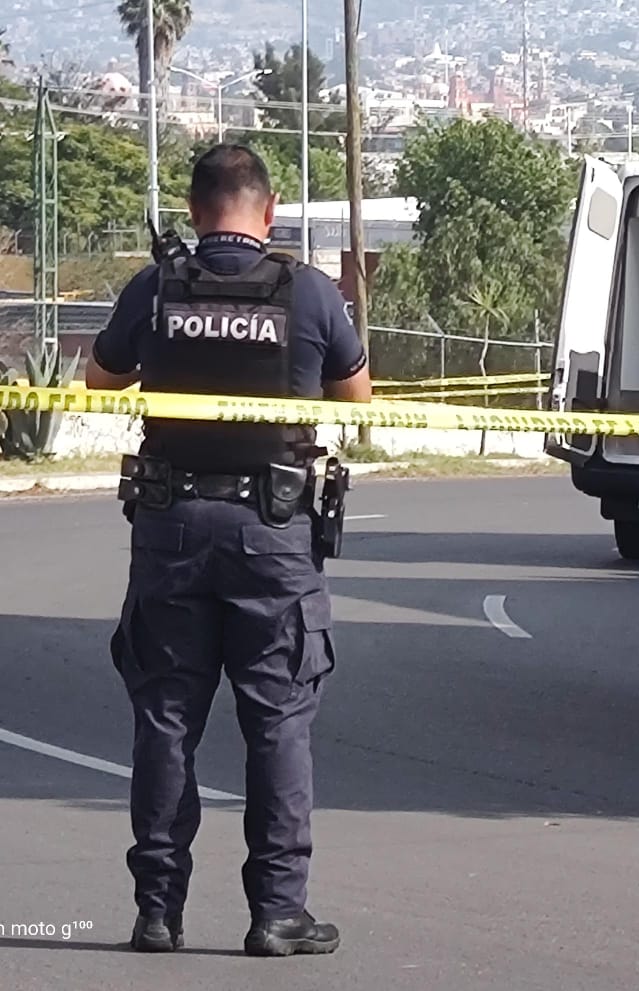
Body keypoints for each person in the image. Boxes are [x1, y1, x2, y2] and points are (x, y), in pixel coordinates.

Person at [85, 144, 372, 957]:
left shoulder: (157, 287)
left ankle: (157, 909)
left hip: (171, 524)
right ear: (269, 211)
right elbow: (359, 393)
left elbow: (99, 383)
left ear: (193, 207)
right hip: (272, 532)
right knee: (278, 721)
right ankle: (278, 912)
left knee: (166, 717)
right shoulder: (307, 292)